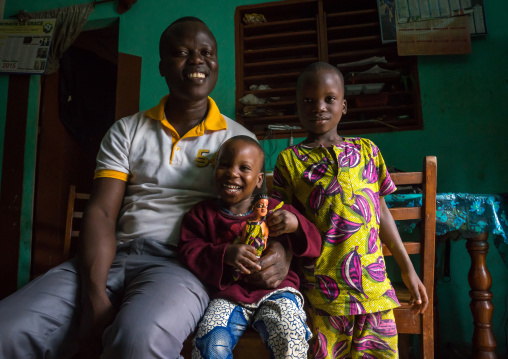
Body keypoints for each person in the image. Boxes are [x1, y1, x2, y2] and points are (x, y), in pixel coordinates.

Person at [0, 17, 292, 359]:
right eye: (182, 52)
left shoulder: (238, 142)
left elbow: (262, 215)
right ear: (162, 67)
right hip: (113, 256)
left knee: (137, 343)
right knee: (8, 329)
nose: (197, 60)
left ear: (216, 63)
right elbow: (102, 211)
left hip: (184, 265)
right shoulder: (127, 131)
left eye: (206, 52)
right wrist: (94, 295)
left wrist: (282, 255)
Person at [271, 62, 429, 359]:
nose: (319, 106)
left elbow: (381, 212)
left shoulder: (367, 150)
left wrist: (408, 269)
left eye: (329, 99)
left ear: (344, 106)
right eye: (308, 100)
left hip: (374, 290)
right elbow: (282, 225)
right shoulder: (290, 160)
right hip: (323, 294)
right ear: (297, 106)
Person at [178, 136, 322, 359]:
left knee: (291, 336)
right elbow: (188, 249)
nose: (232, 173)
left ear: (258, 179)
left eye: (244, 168)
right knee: (209, 342)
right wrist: (224, 254)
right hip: (228, 297)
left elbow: (314, 244)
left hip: (278, 292)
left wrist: (295, 225)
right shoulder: (202, 214)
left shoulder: (277, 210)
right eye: (224, 165)